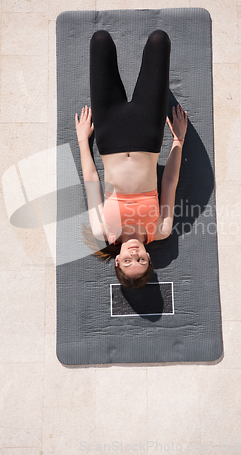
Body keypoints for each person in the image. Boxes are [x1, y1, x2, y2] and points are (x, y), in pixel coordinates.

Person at [75, 29, 187, 289]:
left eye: (128, 261)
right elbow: (169, 182)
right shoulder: (161, 230)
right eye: (141, 260)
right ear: (149, 258)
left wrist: (83, 140)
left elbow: (91, 181)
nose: (134, 254)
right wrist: (178, 141)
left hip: (109, 133)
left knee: (100, 39)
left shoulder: (102, 232)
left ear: (117, 261)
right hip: (147, 132)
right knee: (159, 40)